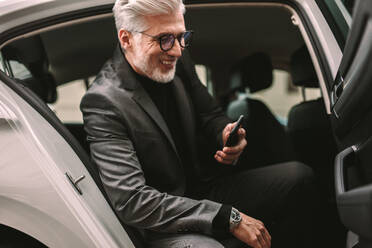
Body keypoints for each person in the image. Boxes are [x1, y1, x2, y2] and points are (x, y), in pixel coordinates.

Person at [80, 0, 315, 247]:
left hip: (205, 189)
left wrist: (224, 134)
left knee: (299, 178)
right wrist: (229, 218)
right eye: (164, 39)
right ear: (126, 39)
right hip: (161, 222)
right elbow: (133, 201)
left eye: (182, 37)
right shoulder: (103, 101)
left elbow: (210, 115)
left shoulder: (177, 57)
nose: (178, 51)